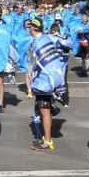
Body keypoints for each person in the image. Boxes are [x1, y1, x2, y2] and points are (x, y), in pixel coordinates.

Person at [28, 18, 67, 152]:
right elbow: (68, 43)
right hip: (55, 78)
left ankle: (47, 141)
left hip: (44, 82)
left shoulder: (35, 43)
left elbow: (33, 66)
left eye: (30, 27)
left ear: (32, 28)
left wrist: (31, 85)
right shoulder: (49, 38)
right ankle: (46, 134)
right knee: (44, 109)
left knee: (44, 111)